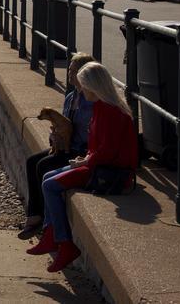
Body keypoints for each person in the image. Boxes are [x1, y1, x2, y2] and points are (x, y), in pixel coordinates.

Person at [26, 62, 138, 273]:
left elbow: (108, 152)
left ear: (94, 87)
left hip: (110, 173)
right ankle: (51, 235)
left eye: (84, 85)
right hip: (99, 165)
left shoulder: (111, 112)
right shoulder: (102, 107)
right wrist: (85, 157)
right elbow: (99, 148)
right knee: (47, 176)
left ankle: (64, 243)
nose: (82, 89)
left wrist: (85, 161)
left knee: (50, 185)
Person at [18, 53, 95, 240]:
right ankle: (34, 215)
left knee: (43, 166)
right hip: (65, 146)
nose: (69, 73)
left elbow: (89, 133)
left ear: (83, 73)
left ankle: (45, 222)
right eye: (69, 69)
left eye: (73, 70)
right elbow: (64, 124)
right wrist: (55, 136)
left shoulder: (91, 101)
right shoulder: (71, 97)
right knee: (31, 161)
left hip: (80, 150)